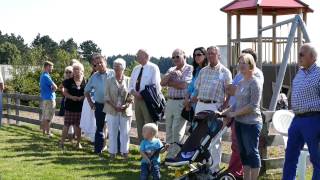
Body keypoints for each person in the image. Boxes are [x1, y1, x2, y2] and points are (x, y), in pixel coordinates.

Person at [283, 43, 320, 180]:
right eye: (298, 54)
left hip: (313, 120)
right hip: (297, 119)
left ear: (313, 57)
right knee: (290, 156)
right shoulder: (299, 73)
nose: (299, 57)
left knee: (317, 160)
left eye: (302, 54)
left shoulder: (319, 74)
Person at [223, 53, 262, 180]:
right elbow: (236, 103)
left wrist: (234, 114)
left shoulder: (255, 82)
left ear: (251, 65)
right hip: (239, 123)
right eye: (239, 63)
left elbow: (253, 106)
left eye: (244, 63)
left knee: (252, 152)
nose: (241, 65)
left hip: (251, 123)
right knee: (243, 153)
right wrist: (226, 111)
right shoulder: (240, 82)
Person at [193, 46, 232, 172]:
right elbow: (197, 88)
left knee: (214, 138)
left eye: (212, 53)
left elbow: (229, 93)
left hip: (214, 106)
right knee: (199, 137)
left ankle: (214, 169)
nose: (210, 56)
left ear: (218, 55)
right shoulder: (203, 71)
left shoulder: (225, 72)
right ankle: (202, 165)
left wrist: (223, 108)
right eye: (208, 54)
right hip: (200, 105)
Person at [160, 49, 193, 158]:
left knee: (177, 130)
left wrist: (170, 82)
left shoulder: (189, 68)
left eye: (177, 56)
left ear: (184, 56)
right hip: (170, 101)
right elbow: (162, 83)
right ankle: (169, 156)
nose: (175, 59)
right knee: (169, 129)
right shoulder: (171, 69)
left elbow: (184, 85)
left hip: (181, 101)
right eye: (173, 57)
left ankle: (176, 157)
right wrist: (171, 74)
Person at [84, 54, 114, 155]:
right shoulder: (94, 76)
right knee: (99, 128)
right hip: (100, 105)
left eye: (101, 62)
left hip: (113, 105)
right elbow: (86, 91)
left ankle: (115, 151)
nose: (99, 65)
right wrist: (91, 103)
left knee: (114, 127)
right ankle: (98, 150)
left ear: (105, 62)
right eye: (96, 64)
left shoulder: (113, 73)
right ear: (94, 66)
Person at [129, 49, 161, 141]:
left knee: (150, 124)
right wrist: (135, 93)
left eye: (139, 56)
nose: (137, 57)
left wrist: (144, 95)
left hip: (148, 101)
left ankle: (152, 149)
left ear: (146, 56)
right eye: (137, 55)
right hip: (137, 99)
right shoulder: (136, 69)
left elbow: (156, 86)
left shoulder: (153, 68)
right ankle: (143, 148)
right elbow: (130, 85)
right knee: (139, 124)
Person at [104, 58, 133, 159]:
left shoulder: (129, 80)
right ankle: (112, 153)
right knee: (112, 132)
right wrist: (114, 106)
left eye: (119, 67)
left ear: (123, 68)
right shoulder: (109, 80)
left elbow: (131, 95)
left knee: (125, 133)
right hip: (112, 110)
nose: (117, 69)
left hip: (125, 110)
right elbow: (106, 96)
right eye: (115, 67)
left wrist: (126, 105)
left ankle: (125, 153)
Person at [59, 62, 86, 149]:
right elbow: (65, 92)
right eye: (74, 69)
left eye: (77, 69)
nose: (75, 71)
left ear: (81, 70)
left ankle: (78, 143)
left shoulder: (86, 80)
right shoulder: (68, 81)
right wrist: (72, 97)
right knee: (66, 125)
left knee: (78, 126)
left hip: (80, 107)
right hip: (69, 106)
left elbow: (89, 92)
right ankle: (62, 143)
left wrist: (83, 97)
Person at [184, 47, 208, 114]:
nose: (196, 57)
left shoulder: (208, 71)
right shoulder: (196, 70)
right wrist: (186, 99)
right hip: (192, 105)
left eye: (199, 55)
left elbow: (203, 88)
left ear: (205, 56)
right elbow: (191, 87)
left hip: (202, 104)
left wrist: (190, 101)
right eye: (195, 55)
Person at [39, 61, 57, 137]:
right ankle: (48, 133)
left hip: (44, 98)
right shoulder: (46, 76)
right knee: (49, 117)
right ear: (47, 67)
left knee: (45, 116)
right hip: (50, 98)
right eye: (51, 67)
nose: (52, 68)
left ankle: (44, 133)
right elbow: (55, 87)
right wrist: (52, 91)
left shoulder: (42, 75)